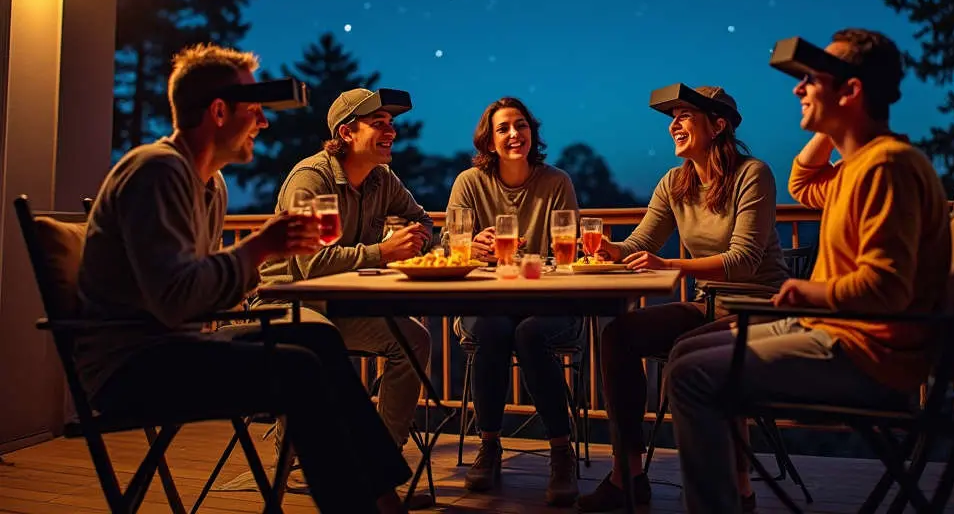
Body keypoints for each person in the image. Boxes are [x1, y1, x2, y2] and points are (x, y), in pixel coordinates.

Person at [75, 44, 412, 513]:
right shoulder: (156, 171)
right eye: (255, 110)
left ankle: (381, 495)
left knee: (317, 340)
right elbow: (176, 301)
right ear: (218, 112)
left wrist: (253, 262)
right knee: (300, 368)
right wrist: (260, 247)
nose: (265, 122)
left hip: (176, 344)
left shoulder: (210, 184)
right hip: (129, 366)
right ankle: (361, 503)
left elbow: (196, 293)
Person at [665, 29, 952, 514]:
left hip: (866, 354)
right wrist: (837, 122)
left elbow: (885, 288)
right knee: (686, 350)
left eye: (811, 79)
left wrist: (808, 293)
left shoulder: (886, 168)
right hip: (840, 334)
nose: (797, 89)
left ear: (852, 90)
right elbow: (802, 180)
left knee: (692, 374)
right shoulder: (853, 167)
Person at [578, 84, 788, 513]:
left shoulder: (754, 174)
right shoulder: (675, 182)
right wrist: (607, 248)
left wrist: (670, 266)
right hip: (705, 305)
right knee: (620, 334)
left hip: (757, 306)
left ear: (719, 124)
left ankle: (738, 487)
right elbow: (640, 242)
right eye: (671, 117)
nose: (674, 124)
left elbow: (745, 261)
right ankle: (628, 476)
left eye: (684, 115)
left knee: (698, 353)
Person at [257, 87, 434, 450]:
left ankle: (383, 461)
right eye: (377, 123)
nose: (391, 131)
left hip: (343, 306)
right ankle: (297, 452)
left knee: (415, 339)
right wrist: (382, 251)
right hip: (286, 307)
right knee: (319, 341)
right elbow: (310, 266)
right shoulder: (310, 178)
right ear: (347, 132)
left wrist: (414, 239)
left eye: (391, 124)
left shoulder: (382, 178)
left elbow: (422, 221)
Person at [447, 97, 582, 506]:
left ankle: (561, 451)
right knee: (492, 329)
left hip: (548, 302)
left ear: (532, 133)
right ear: (488, 141)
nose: (514, 134)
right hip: (488, 301)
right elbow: (449, 243)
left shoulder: (556, 181)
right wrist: (471, 245)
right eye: (503, 128)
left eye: (521, 126)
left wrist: (531, 262)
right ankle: (489, 446)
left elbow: (568, 252)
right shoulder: (469, 183)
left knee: (528, 333)